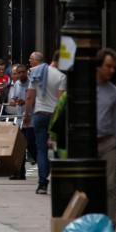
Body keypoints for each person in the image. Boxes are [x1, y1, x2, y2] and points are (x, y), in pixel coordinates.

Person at [23, 51, 67, 194]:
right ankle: (60, 181)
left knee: (41, 149)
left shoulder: (37, 73)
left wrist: (26, 114)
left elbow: (29, 97)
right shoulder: (61, 77)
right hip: (54, 116)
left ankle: (42, 183)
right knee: (57, 148)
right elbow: (61, 100)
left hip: (39, 115)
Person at [95, 48, 116, 229]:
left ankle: (110, 228)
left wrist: (115, 145)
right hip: (86, 145)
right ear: (98, 66)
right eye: (108, 66)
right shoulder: (83, 88)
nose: (112, 70)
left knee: (110, 187)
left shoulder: (115, 92)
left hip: (107, 143)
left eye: (114, 67)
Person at [9, 64, 36, 180]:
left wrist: (25, 101)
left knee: (30, 145)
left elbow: (35, 100)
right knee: (19, 147)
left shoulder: (32, 84)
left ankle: (42, 162)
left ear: (26, 72)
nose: (21, 74)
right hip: (20, 118)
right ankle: (20, 173)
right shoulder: (17, 84)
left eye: (23, 72)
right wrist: (13, 101)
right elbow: (14, 98)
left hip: (30, 120)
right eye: (18, 72)